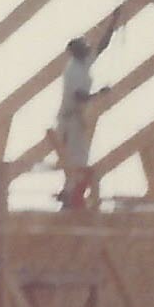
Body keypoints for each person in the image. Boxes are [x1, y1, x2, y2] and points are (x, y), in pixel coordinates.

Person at [54, 29, 112, 211]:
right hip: (69, 120)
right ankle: (70, 198)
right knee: (76, 161)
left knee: (78, 159)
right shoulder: (73, 71)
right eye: (85, 47)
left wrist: (113, 23)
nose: (88, 49)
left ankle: (70, 195)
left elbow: (101, 47)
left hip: (75, 118)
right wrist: (98, 95)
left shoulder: (82, 63)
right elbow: (80, 97)